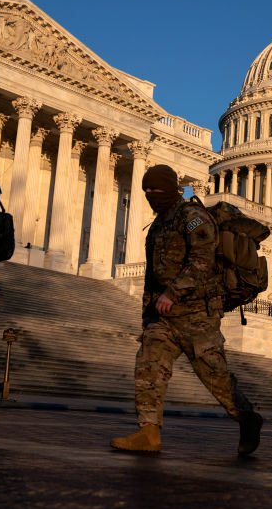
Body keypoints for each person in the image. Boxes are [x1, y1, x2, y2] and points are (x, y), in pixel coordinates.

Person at [110, 165, 262, 456]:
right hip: (163, 317)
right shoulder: (158, 224)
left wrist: (174, 291)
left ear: (171, 188)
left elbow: (202, 259)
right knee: (149, 365)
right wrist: (149, 313)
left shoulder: (192, 217)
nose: (151, 195)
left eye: (155, 189)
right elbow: (154, 275)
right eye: (146, 190)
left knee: (215, 377)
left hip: (196, 314)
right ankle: (149, 431)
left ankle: (247, 418)